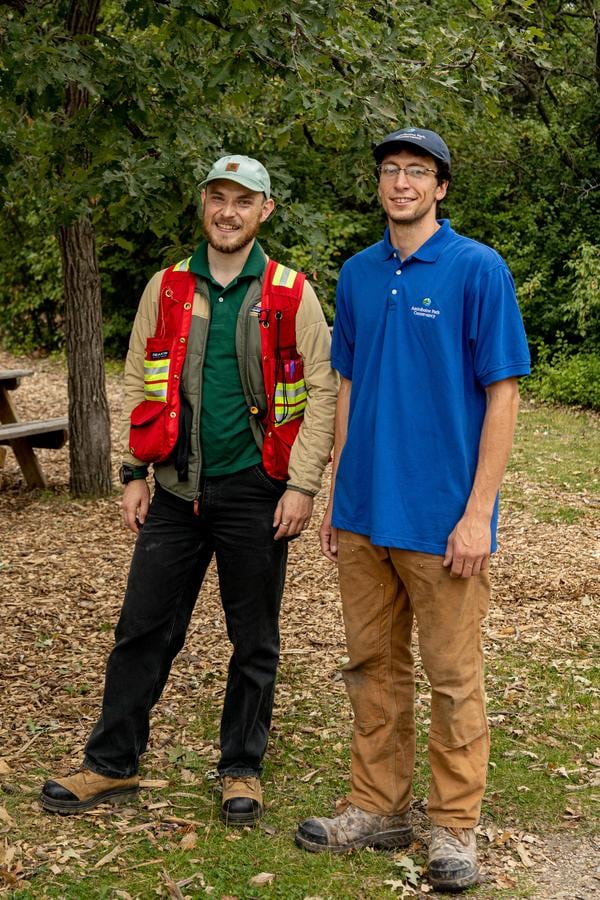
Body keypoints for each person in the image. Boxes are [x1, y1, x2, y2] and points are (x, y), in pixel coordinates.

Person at [40, 155, 337, 826]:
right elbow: (140, 375)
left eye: (243, 201)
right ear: (203, 204)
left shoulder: (291, 292)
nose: (228, 212)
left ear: (265, 211)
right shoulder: (168, 286)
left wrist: (301, 486)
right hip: (176, 490)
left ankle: (242, 767)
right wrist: (133, 471)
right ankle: (111, 762)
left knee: (253, 639)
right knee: (141, 629)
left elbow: (322, 392)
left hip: (257, 491)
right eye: (218, 198)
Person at [295, 128, 530, 892]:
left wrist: (479, 512)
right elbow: (350, 384)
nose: (402, 182)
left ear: (441, 187)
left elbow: (503, 394)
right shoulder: (358, 274)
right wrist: (340, 492)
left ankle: (454, 827)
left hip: (442, 518)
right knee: (373, 668)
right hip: (366, 511)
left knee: (453, 677)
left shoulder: (478, 269)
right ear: (380, 184)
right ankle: (379, 806)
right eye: (391, 169)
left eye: (418, 171)